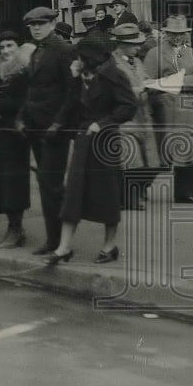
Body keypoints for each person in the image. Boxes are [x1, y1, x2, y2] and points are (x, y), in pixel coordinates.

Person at [46, 30, 139, 266]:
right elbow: (70, 104)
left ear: (89, 57)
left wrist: (103, 123)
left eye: (79, 56)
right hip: (83, 140)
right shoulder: (81, 77)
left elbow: (128, 107)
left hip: (104, 141)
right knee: (73, 194)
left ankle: (109, 246)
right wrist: (57, 123)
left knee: (107, 195)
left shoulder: (114, 76)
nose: (75, 60)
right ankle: (64, 248)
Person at [17, 6, 79, 255]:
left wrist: (59, 123)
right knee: (46, 183)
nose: (36, 28)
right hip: (35, 126)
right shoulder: (36, 52)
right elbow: (32, 90)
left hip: (55, 129)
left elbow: (73, 92)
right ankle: (54, 238)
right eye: (32, 25)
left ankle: (59, 241)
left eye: (41, 24)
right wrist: (22, 117)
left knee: (52, 184)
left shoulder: (64, 50)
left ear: (53, 24)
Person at [142, 14, 193, 204]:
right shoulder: (155, 53)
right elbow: (148, 81)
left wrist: (175, 81)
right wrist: (172, 83)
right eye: (173, 33)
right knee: (161, 151)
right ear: (166, 33)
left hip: (187, 108)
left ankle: (185, 192)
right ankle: (140, 187)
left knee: (187, 150)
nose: (177, 37)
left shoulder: (191, 53)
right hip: (165, 109)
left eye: (181, 33)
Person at [0, 32, 35, 248]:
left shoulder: (23, 73)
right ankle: (11, 228)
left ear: (18, 47)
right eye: (1, 47)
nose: (5, 51)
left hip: (14, 133)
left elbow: (25, 102)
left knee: (14, 181)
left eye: (10, 45)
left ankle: (16, 229)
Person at [110, 23, 159, 209]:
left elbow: (144, 78)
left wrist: (154, 85)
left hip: (143, 115)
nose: (139, 47)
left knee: (151, 162)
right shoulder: (112, 63)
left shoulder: (136, 61)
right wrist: (138, 90)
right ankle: (130, 199)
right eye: (135, 44)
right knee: (132, 160)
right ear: (122, 44)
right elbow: (112, 91)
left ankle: (138, 192)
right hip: (125, 119)